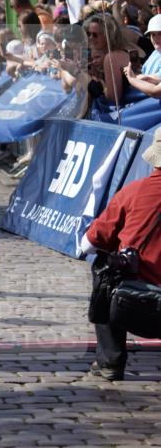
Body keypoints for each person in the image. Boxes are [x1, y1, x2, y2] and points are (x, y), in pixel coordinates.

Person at [81, 129, 161, 380]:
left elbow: (93, 241)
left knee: (104, 268)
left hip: (137, 297)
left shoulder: (134, 191)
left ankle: (110, 360)